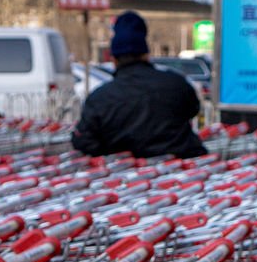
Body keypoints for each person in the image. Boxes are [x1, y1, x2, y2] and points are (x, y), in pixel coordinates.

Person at [72, 11, 206, 159]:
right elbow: (193, 109)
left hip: (126, 176)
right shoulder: (177, 85)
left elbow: (83, 141)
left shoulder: (99, 99)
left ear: (114, 59)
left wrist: (115, 155)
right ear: (146, 55)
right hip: (182, 172)